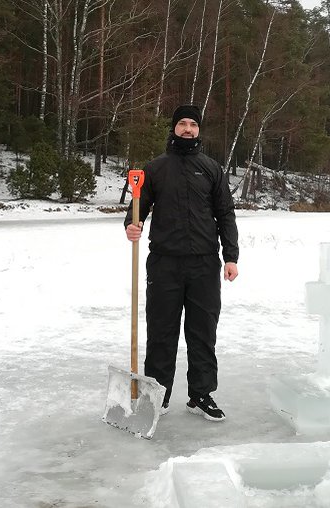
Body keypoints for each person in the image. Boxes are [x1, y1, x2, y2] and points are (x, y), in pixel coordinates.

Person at [124, 104, 239, 422]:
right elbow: (137, 208)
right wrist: (131, 226)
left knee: (203, 331)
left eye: (193, 124)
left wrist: (231, 256)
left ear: (199, 130)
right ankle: (157, 394)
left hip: (204, 264)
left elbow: (225, 214)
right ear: (173, 128)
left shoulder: (212, 169)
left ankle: (201, 393)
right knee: (161, 330)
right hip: (164, 263)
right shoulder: (156, 168)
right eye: (182, 124)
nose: (188, 129)